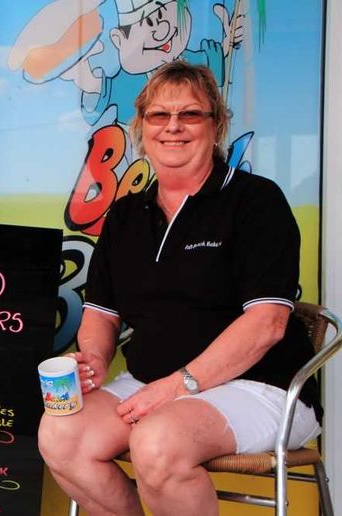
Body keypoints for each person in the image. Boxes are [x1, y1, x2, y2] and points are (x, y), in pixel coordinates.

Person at [38, 61, 322, 515]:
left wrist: (180, 386)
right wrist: (92, 359)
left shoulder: (255, 201)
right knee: (60, 434)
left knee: (157, 441)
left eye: (190, 114)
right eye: (159, 115)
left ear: (217, 125)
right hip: (152, 384)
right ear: (141, 127)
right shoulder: (127, 216)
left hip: (258, 387)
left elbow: (268, 323)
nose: (173, 127)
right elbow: (102, 312)